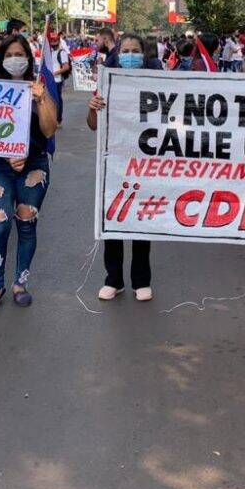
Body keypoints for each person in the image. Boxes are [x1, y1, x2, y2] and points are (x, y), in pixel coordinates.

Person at [0, 34, 58, 313]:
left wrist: (42, 99)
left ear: (29, 58)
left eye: (20, 55)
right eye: (9, 55)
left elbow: (49, 129)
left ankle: (20, 284)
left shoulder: (39, 88)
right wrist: (7, 153)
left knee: (26, 223)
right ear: (1, 60)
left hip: (34, 165)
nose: (15, 60)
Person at [87, 34, 155, 302]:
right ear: (117, 54)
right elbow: (93, 125)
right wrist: (93, 108)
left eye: (135, 50)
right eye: (125, 51)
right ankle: (113, 280)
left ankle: (141, 280)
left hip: (145, 162)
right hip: (114, 163)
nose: (130, 55)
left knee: (141, 220)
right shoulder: (107, 83)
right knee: (113, 220)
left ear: (144, 55)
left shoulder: (156, 83)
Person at [50, 32, 71, 126]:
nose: (53, 43)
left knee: (57, 100)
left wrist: (54, 73)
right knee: (50, 100)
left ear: (58, 41)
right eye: (51, 41)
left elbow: (66, 67)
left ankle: (58, 119)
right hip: (50, 80)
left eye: (55, 41)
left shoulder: (62, 53)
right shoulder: (50, 52)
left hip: (57, 80)